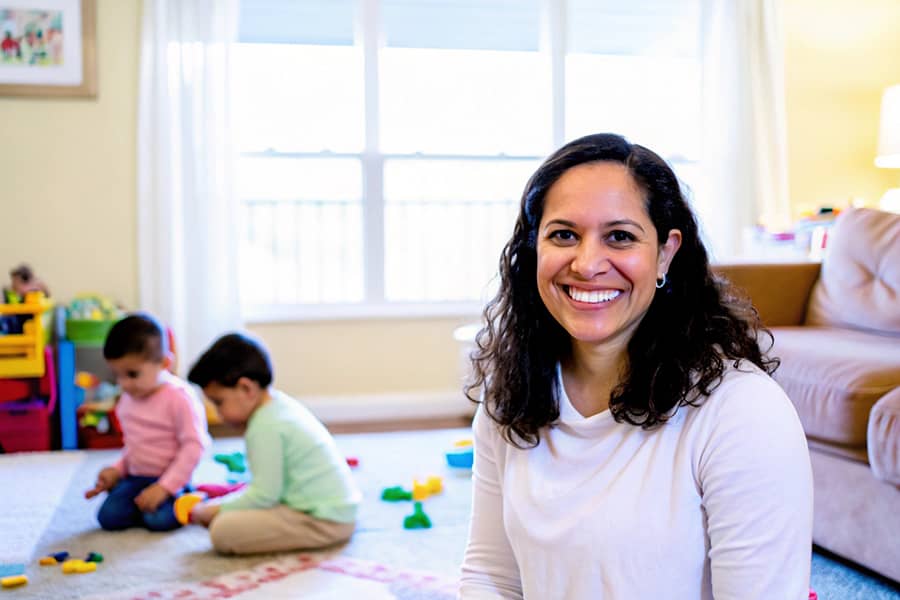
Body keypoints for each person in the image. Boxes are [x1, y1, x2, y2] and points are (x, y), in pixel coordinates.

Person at [458, 133, 813, 599]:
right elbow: (492, 577)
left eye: (620, 237)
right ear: (534, 249)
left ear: (665, 252)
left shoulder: (742, 412)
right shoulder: (511, 395)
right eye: (564, 234)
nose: (587, 265)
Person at [186, 333, 361, 555]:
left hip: (323, 521)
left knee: (223, 531)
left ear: (246, 389)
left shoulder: (265, 427)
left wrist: (214, 510)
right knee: (236, 508)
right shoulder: (278, 406)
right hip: (334, 510)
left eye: (219, 403)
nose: (219, 415)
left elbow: (264, 495)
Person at [84, 313, 211, 531]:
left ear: (164, 364)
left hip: (171, 478)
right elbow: (134, 447)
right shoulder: (127, 400)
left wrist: (164, 487)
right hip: (136, 476)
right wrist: (117, 470)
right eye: (117, 375)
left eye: (132, 374)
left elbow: (194, 446)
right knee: (108, 518)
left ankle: (191, 498)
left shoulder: (180, 397)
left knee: (158, 521)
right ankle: (145, 506)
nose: (124, 383)